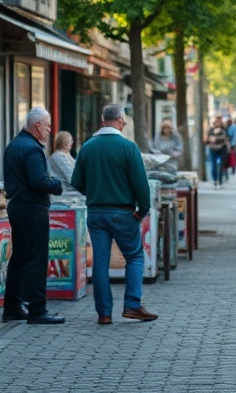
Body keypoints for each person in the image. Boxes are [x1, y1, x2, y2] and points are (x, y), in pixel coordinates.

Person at [71, 104, 157, 324]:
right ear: (120, 120)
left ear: (102, 120)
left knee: (100, 262)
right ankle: (132, 305)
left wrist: (94, 194)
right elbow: (140, 183)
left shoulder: (87, 147)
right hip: (123, 212)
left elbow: (76, 181)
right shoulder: (128, 147)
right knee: (135, 256)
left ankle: (104, 313)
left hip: (97, 213)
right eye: (124, 121)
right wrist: (143, 209)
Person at [2, 107, 64, 324]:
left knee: (18, 258)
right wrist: (57, 185)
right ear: (37, 126)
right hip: (32, 210)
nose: (49, 131)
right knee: (36, 261)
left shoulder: (14, 145)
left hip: (17, 207)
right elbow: (38, 181)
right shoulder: (32, 149)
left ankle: (12, 307)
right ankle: (37, 310)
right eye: (47, 126)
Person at [206, 116, 231, 187]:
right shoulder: (211, 130)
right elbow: (208, 139)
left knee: (220, 166)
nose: (218, 123)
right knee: (214, 165)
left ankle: (219, 180)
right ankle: (215, 180)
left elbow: (227, 139)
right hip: (213, 149)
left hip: (222, 149)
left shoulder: (224, 130)